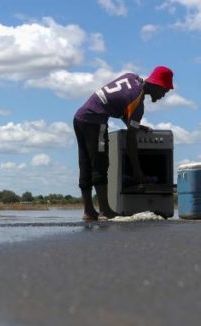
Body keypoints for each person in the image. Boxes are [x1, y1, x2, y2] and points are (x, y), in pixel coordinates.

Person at [74, 66, 173, 221]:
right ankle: (105, 210)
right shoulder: (138, 103)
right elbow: (131, 140)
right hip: (95, 120)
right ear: (157, 85)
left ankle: (89, 211)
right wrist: (137, 170)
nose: (163, 96)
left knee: (85, 163)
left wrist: (133, 124)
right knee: (100, 163)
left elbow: (119, 102)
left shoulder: (132, 77)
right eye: (164, 91)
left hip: (80, 117)